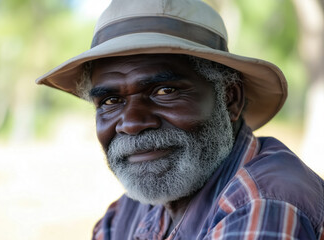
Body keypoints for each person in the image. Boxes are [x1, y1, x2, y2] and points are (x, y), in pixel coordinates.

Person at [36, 0, 324, 239]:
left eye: (165, 91)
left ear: (230, 99)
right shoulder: (128, 212)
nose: (132, 123)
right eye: (111, 101)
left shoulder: (263, 204)